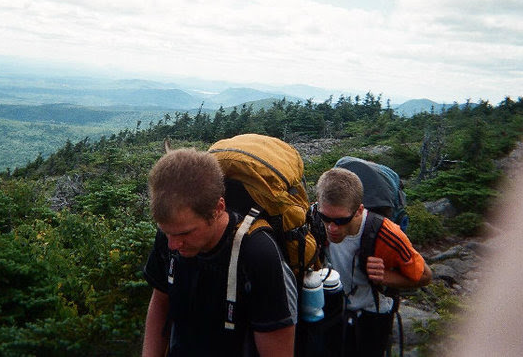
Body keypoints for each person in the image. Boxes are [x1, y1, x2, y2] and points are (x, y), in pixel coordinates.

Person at [142, 148, 298, 357]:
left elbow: (277, 347)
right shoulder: (172, 232)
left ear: (218, 208)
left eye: (185, 233)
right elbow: (161, 301)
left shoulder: (257, 254)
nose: (173, 245)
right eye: (166, 232)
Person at [316, 168, 432, 357]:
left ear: (359, 211)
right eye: (325, 218)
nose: (332, 228)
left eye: (341, 220)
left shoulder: (386, 234)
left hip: (371, 317)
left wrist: (386, 277)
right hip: (332, 311)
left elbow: (425, 276)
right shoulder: (314, 219)